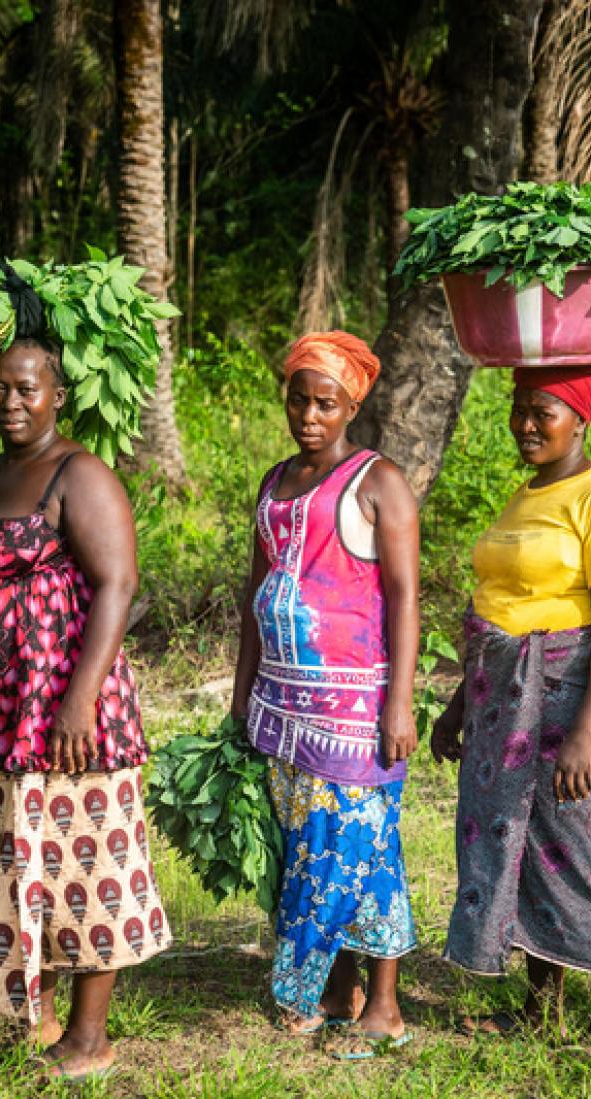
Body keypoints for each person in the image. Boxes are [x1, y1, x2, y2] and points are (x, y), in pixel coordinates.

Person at [0, 276, 170, 1079]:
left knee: (86, 858)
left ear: (60, 392)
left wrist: (79, 699)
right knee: (11, 856)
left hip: (63, 707)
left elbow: (118, 586)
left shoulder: (79, 473)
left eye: (27, 387)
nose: (10, 400)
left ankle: (90, 1039)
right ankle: (36, 1015)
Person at [432, 365, 591, 1037]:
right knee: (522, 849)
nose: (526, 423)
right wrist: (459, 703)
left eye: (543, 412)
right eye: (519, 409)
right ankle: (541, 1009)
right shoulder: (527, 494)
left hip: (571, 696)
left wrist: (585, 733)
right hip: (507, 695)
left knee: (586, 849)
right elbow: (506, 602)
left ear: (582, 419)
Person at [230, 331, 422, 1060]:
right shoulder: (274, 482)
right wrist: (244, 695)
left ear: (352, 406)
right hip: (283, 706)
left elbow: (404, 599)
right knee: (306, 851)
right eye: (298, 399)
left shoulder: (378, 481)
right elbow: (254, 595)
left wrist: (398, 703)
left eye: (326, 402)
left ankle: (379, 1002)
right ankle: (340, 989)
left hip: (354, 709)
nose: (309, 414)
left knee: (360, 851)